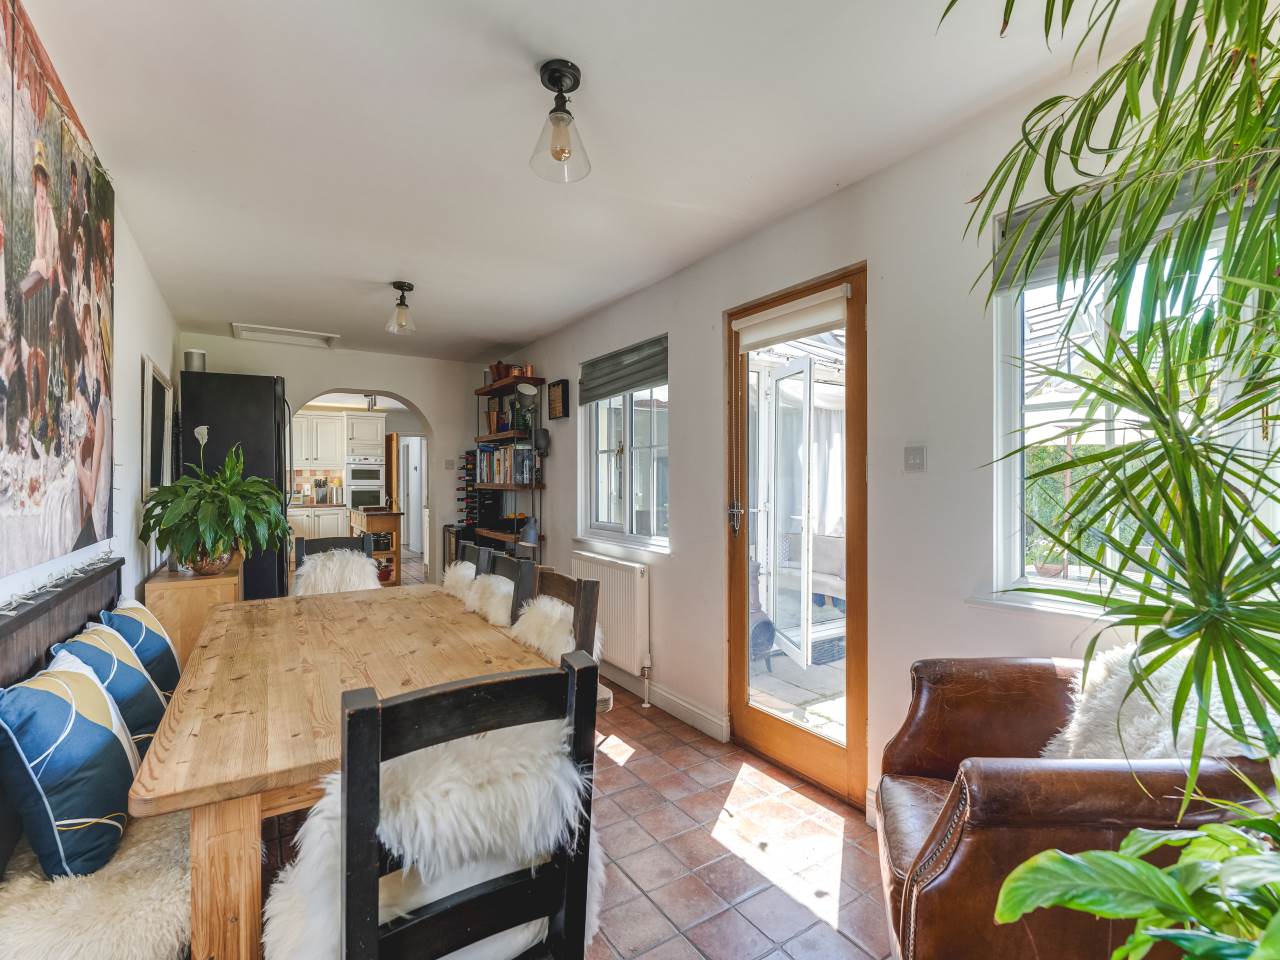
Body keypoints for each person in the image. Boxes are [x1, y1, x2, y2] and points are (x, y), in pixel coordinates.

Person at [28, 141, 59, 284]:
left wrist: (52, 266)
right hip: (41, 261)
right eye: (38, 182)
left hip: (48, 263)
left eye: (42, 183)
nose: (41, 190)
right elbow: (39, 246)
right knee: (33, 269)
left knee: (34, 267)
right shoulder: (36, 205)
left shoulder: (48, 211)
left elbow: (53, 244)